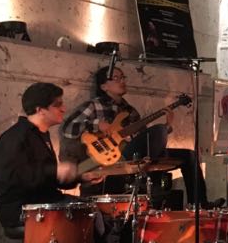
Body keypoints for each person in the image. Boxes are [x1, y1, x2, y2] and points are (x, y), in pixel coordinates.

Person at [61, 66, 207, 206]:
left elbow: (144, 140)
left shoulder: (130, 111)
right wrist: (97, 124)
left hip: (133, 156)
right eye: (116, 78)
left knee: (189, 155)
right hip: (108, 158)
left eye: (123, 77)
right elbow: (68, 129)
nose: (122, 81)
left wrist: (167, 126)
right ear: (104, 86)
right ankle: (152, 190)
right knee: (158, 132)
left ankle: (199, 206)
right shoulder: (93, 106)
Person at [0, 83, 87, 232]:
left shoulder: (42, 135)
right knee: (86, 216)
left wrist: (80, 177)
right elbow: (11, 178)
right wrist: (54, 171)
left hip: (46, 202)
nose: (63, 109)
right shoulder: (14, 137)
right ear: (40, 110)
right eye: (57, 105)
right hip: (22, 209)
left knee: (90, 210)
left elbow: (48, 181)